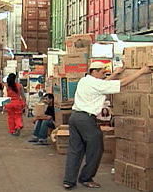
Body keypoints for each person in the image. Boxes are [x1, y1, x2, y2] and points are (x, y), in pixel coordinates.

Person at [63, 62, 151, 190]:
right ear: (95, 71)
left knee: (74, 151)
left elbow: (103, 85)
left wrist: (115, 74)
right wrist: (142, 71)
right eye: (102, 73)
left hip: (75, 117)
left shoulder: (84, 80)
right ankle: (86, 178)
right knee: (96, 150)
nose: (103, 75)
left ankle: (68, 181)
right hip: (86, 120)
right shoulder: (97, 83)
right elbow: (122, 83)